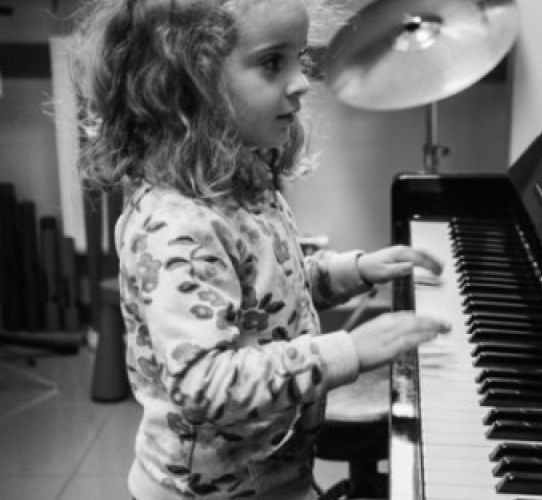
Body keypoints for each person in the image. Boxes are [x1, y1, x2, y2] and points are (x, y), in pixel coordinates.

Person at [69, 1, 451, 499]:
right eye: (274, 62)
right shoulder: (175, 227)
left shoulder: (244, 180)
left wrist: (357, 271)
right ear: (188, 85)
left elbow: (268, 291)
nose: (302, 82)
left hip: (271, 474)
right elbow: (205, 381)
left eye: (299, 59)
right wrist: (349, 350)